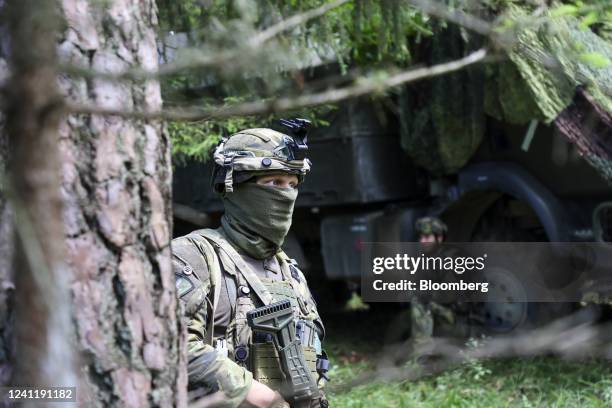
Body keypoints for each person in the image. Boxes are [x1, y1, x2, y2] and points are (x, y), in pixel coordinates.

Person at [172, 124, 329, 408]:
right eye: (273, 183)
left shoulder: (288, 270)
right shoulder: (194, 257)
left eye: (292, 184)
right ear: (234, 187)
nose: (286, 194)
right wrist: (251, 393)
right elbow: (172, 345)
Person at [409, 216, 454, 357]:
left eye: (427, 237)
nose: (423, 241)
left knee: (419, 303)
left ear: (439, 238)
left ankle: (422, 358)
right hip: (446, 313)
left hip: (461, 317)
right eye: (421, 237)